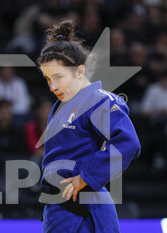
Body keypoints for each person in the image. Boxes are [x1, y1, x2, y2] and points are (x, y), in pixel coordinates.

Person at [37, 21, 141, 233]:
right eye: (48, 79)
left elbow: (128, 142)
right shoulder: (64, 104)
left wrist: (87, 176)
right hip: (62, 207)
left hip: (83, 209)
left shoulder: (97, 100)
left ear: (79, 71)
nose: (52, 86)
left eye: (58, 77)